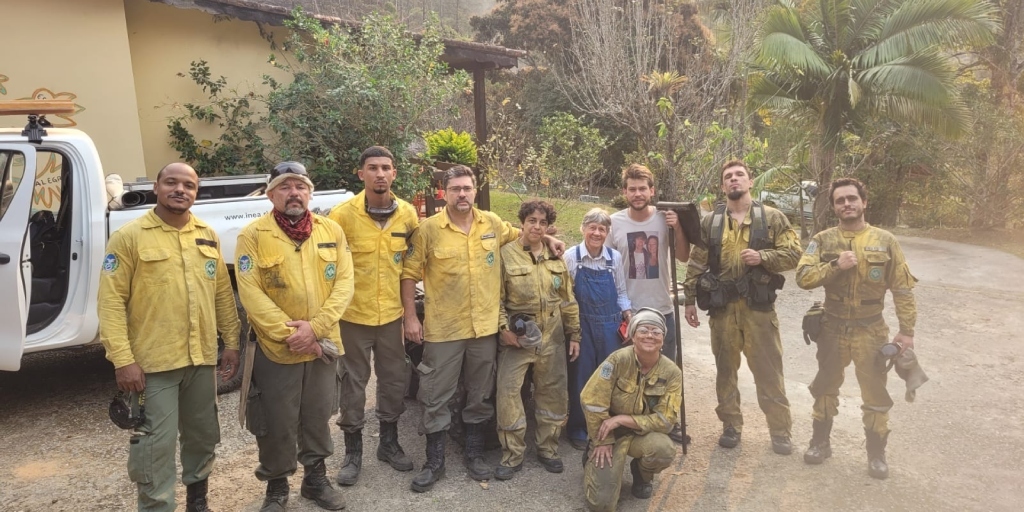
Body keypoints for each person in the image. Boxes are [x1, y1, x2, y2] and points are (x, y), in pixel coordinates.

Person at [401, 165, 564, 492]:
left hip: (484, 331)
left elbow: (523, 234)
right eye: (456, 189)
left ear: (475, 191)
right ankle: (435, 462)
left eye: (467, 188)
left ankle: (474, 454)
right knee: (436, 395)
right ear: (444, 193)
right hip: (444, 329)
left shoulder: (491, 223)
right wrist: (410, 317)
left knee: (479, 394)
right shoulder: (429, 230)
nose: (462, 194)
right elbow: (408, 273)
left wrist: (546, 236)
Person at [98, 162, 240, 512]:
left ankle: (198, 502)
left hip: (200, 359)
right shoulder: (130, 237)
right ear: (157, 187)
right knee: (154, 446)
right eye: (172, 183)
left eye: (189, 185)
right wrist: (123, 359)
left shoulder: (207, 234)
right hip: (153, 364)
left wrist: (232, 343)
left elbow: (222, 293)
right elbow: (111, 302)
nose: (180, 190)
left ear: (197, 191)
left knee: (203, 435)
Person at [236, 161, 354, 512]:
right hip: (277, 348)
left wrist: (315, 329)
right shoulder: (253, 236)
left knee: (317, 414)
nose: (294, 193)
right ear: (271, 195)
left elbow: (345, 284)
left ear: (310, 193)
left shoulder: (331, 230)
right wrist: (292, 333)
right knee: (276, 419)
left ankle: (315, 480)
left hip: (321, 345)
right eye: (285, 187)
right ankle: (276, 487)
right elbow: (250, 292)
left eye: (301, 186)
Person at [796, 177, 917, 480]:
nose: (846, 204)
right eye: (840, 200)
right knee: (825, 387)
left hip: (871, 328)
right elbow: (803, 277)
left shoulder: (885, 240)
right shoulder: (823, 240)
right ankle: (820, 444)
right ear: (834, 206)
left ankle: (876, 454)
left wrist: (907, 331)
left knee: (875, 392)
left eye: (852, 198)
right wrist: (836, 265)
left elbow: (902, 289)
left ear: (864, 202)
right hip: (832, 327)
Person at [682, 160, 801, 455]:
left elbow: (794, 254)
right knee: (725, 371)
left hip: (758, 310)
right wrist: (689, 300)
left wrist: (763, 258)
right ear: (723, 187)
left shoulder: (772, 218)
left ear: (750, 183)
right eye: (728, 177)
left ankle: (779, 430)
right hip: (723, 311)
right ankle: (731, 425)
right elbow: (697, 261)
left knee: (769, 371)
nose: (734, 180)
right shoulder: (711, 221)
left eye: (739, 175)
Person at [328, 147, 418, 486]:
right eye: (372, 168)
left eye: (385, 168)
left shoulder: (408, 215)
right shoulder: (341, 216)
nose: (379, 174)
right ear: (360, 173)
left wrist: (410, 314)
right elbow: (328, 267)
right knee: (353, 383)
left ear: (394, 173)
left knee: (395, 380)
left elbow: (412, 263)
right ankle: (353, 452)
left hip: (391, 316)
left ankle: (389, 443)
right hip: (353, 316)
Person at [494, 200, 581, 480]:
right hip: (518, 339)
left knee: (552, 393)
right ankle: (512, 454)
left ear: (547, 226)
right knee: (508, 394)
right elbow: (495, 298)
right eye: (531, 220)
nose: (536, 226)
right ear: (522, 222)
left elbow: (568, 299)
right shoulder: (506, 255)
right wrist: (503, 330)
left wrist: (574, 334)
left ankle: (548, 449)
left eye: (542, 222)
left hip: (552, 336)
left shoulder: (556, 257)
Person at [607, 163, 689, 443]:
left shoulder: (664, 219)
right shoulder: (614, 222)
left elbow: (683, 256)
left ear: (652, 191)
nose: (638, 193)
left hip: (661, 307)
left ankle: (669, 419)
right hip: (629, 310)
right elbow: (605, 261)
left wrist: (677, 229)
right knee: (628, 369)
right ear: (624, 192)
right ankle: (628, 420)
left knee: (666, 368)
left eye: (643, 188)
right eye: (632, 189)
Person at [580, 309, 681, 512]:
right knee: (601, 505)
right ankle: (592, 453)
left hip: (642, 435)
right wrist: (602, 440)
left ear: (663, 339)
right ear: (633, 335)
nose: (650, 335)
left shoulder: (672, 373)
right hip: (609, 433)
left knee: (663, 450)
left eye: (656, 331)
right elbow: (592, 400)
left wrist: (622, 419)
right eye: (643, 330)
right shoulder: (617, 360)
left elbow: (666, 419)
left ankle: (642, 475)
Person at [563, 207, 632, 450]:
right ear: (583, 229)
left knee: (609, 379)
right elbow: (565, 297)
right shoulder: (571, 257)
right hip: (582, 327)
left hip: (610, 326)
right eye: (592, 227)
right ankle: (579, 429)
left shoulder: (614, 258)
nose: (596, 232)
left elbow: (621, 292)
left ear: (607, 233)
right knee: (580, 379)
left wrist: (628, 314)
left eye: (602, 229)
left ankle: (607, 426)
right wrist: (572, 331)